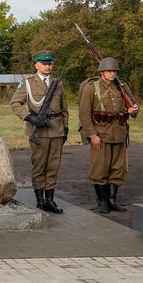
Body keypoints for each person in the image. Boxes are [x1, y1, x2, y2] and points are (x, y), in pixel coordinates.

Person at [10, 50, 68, 214]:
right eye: (44, 63)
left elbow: (64, 108)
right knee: (39, 165)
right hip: (38, 130)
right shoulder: (28, 82)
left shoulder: (58, 83)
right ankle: (40, 200)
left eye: (50, 63)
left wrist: (66, 126)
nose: (48, 66)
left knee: (53, 166)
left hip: (56, 129)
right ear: (36, 64)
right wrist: (29, 117)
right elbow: (15, 104)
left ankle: (50, 200)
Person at [79, 57, 139, 213]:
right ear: (102, 72)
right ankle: (102, 201)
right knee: (100, 169)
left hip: (119, 133)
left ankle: (112, 200)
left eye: (114, 71)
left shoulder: (122, 86)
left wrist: (134, 110)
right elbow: (84, 114)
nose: (112, 74)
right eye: (109, 71)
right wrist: (92, 135)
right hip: (101, 134)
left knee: (118, 169)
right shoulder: (91, 88)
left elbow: (132, 106)